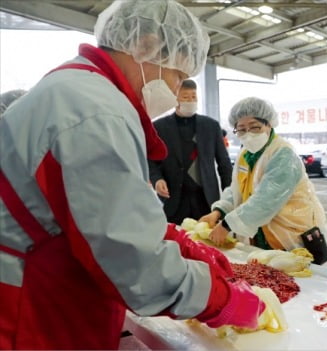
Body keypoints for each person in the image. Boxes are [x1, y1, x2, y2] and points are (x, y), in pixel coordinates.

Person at [0, 1, 265, 349]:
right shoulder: (96, 110)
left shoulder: (74, 89)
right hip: (35, 308)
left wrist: (176, 240)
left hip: (41, 289)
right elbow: (130, 258)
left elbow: (100, 209)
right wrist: (221, 300)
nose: (174, 93)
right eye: (174, 75)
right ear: (145, 45)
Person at [200, 97, 327, 264]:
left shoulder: (283, 154)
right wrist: (218, 211)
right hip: (261, 236)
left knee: (300, 281)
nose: (248, 134)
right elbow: (236, 190)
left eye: (255, 127)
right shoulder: (245, 154)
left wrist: (226, 225)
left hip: (292, 236)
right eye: (241, 130)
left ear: (269, 124)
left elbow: (266, 201)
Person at [149, 79, 232, 224]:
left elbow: (224, 163)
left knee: (206, 240)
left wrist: (229, 198)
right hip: (174, 200)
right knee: (177, 241)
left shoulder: (211, 126)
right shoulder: (159, 128)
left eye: (194, 97)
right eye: (185, 97)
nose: (190, 101)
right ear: (175, 99)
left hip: (206, 199)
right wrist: (157, 179)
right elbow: (150, 160)